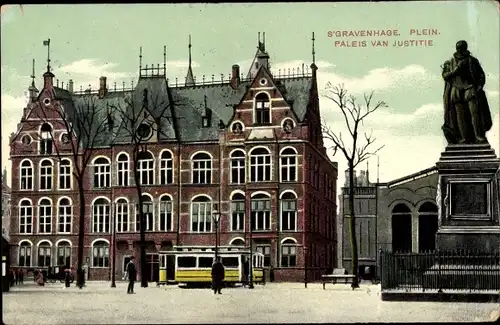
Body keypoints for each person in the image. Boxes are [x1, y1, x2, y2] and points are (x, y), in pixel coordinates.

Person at [441, 40, 492, 144]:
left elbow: (481, 75)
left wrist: (479, 87)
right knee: (460, 116)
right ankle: (464, 138)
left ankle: (478, 136)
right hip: (456, 90)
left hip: (470, 89)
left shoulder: (472, 61)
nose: (459, 50)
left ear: (465, 48)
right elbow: (445, 76)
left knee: (475, 114)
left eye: (461, 48)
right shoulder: (450, 62)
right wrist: (456, 69)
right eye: (458, 48)